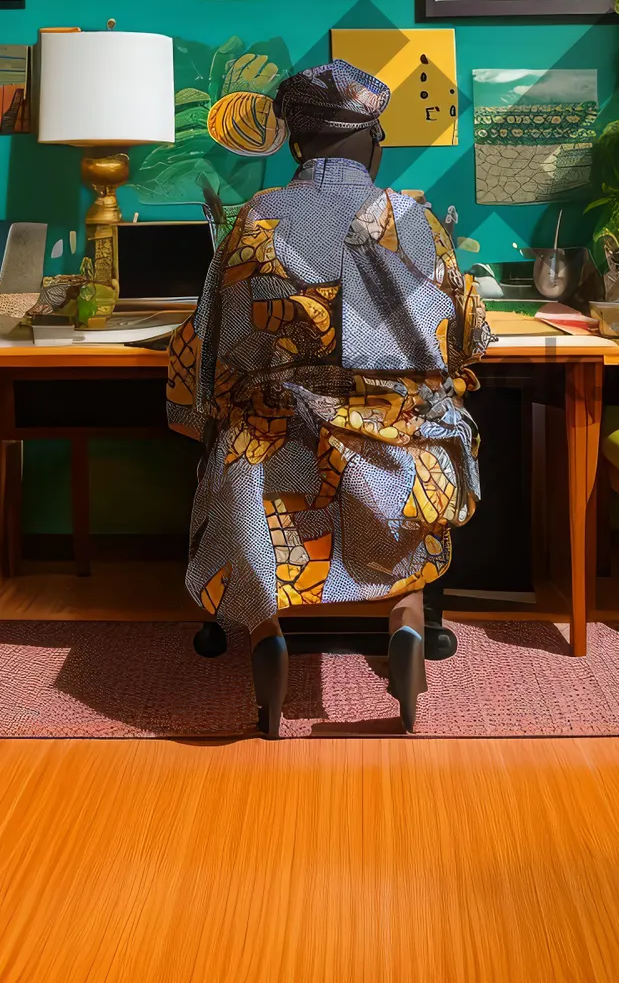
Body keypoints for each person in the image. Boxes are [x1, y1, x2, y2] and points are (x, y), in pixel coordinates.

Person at [167, 60, 490, 735]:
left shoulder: (253, 221)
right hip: (397, 456)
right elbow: (467, 340)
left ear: (293, 143)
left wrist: (206, 418)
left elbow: (210, 349)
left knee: (240, 446)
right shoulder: (413, 220)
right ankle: (405, 619)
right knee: (433, 436)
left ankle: (267, 633)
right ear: (374, 142)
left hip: (275, 453)